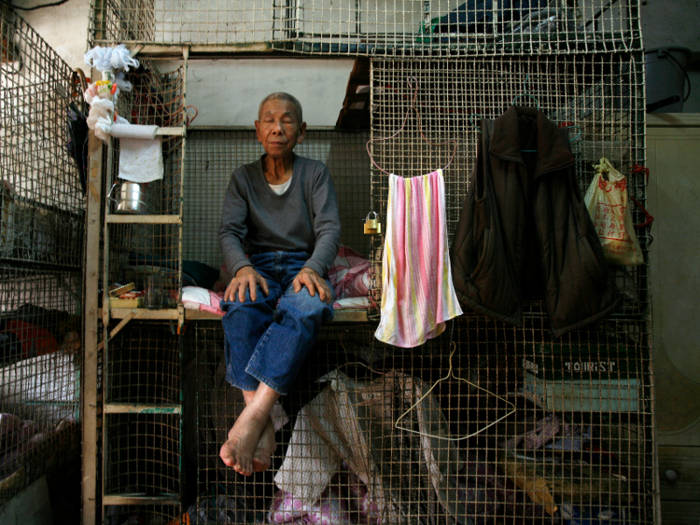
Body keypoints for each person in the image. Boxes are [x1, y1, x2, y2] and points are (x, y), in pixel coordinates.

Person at [218, 92, 340, 476]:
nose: (277, 127)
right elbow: (229, 233)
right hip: (259, 268)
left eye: (287, 120)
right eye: (268, 119)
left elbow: (329, 229)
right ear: (257, 130)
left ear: (301, 132)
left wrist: (314, 267)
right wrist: (241, 268)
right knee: (239, 307)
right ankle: (264, 420)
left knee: (307, 308)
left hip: (303, 265)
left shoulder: (315, 173)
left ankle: (255, 416)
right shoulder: (242, 179)